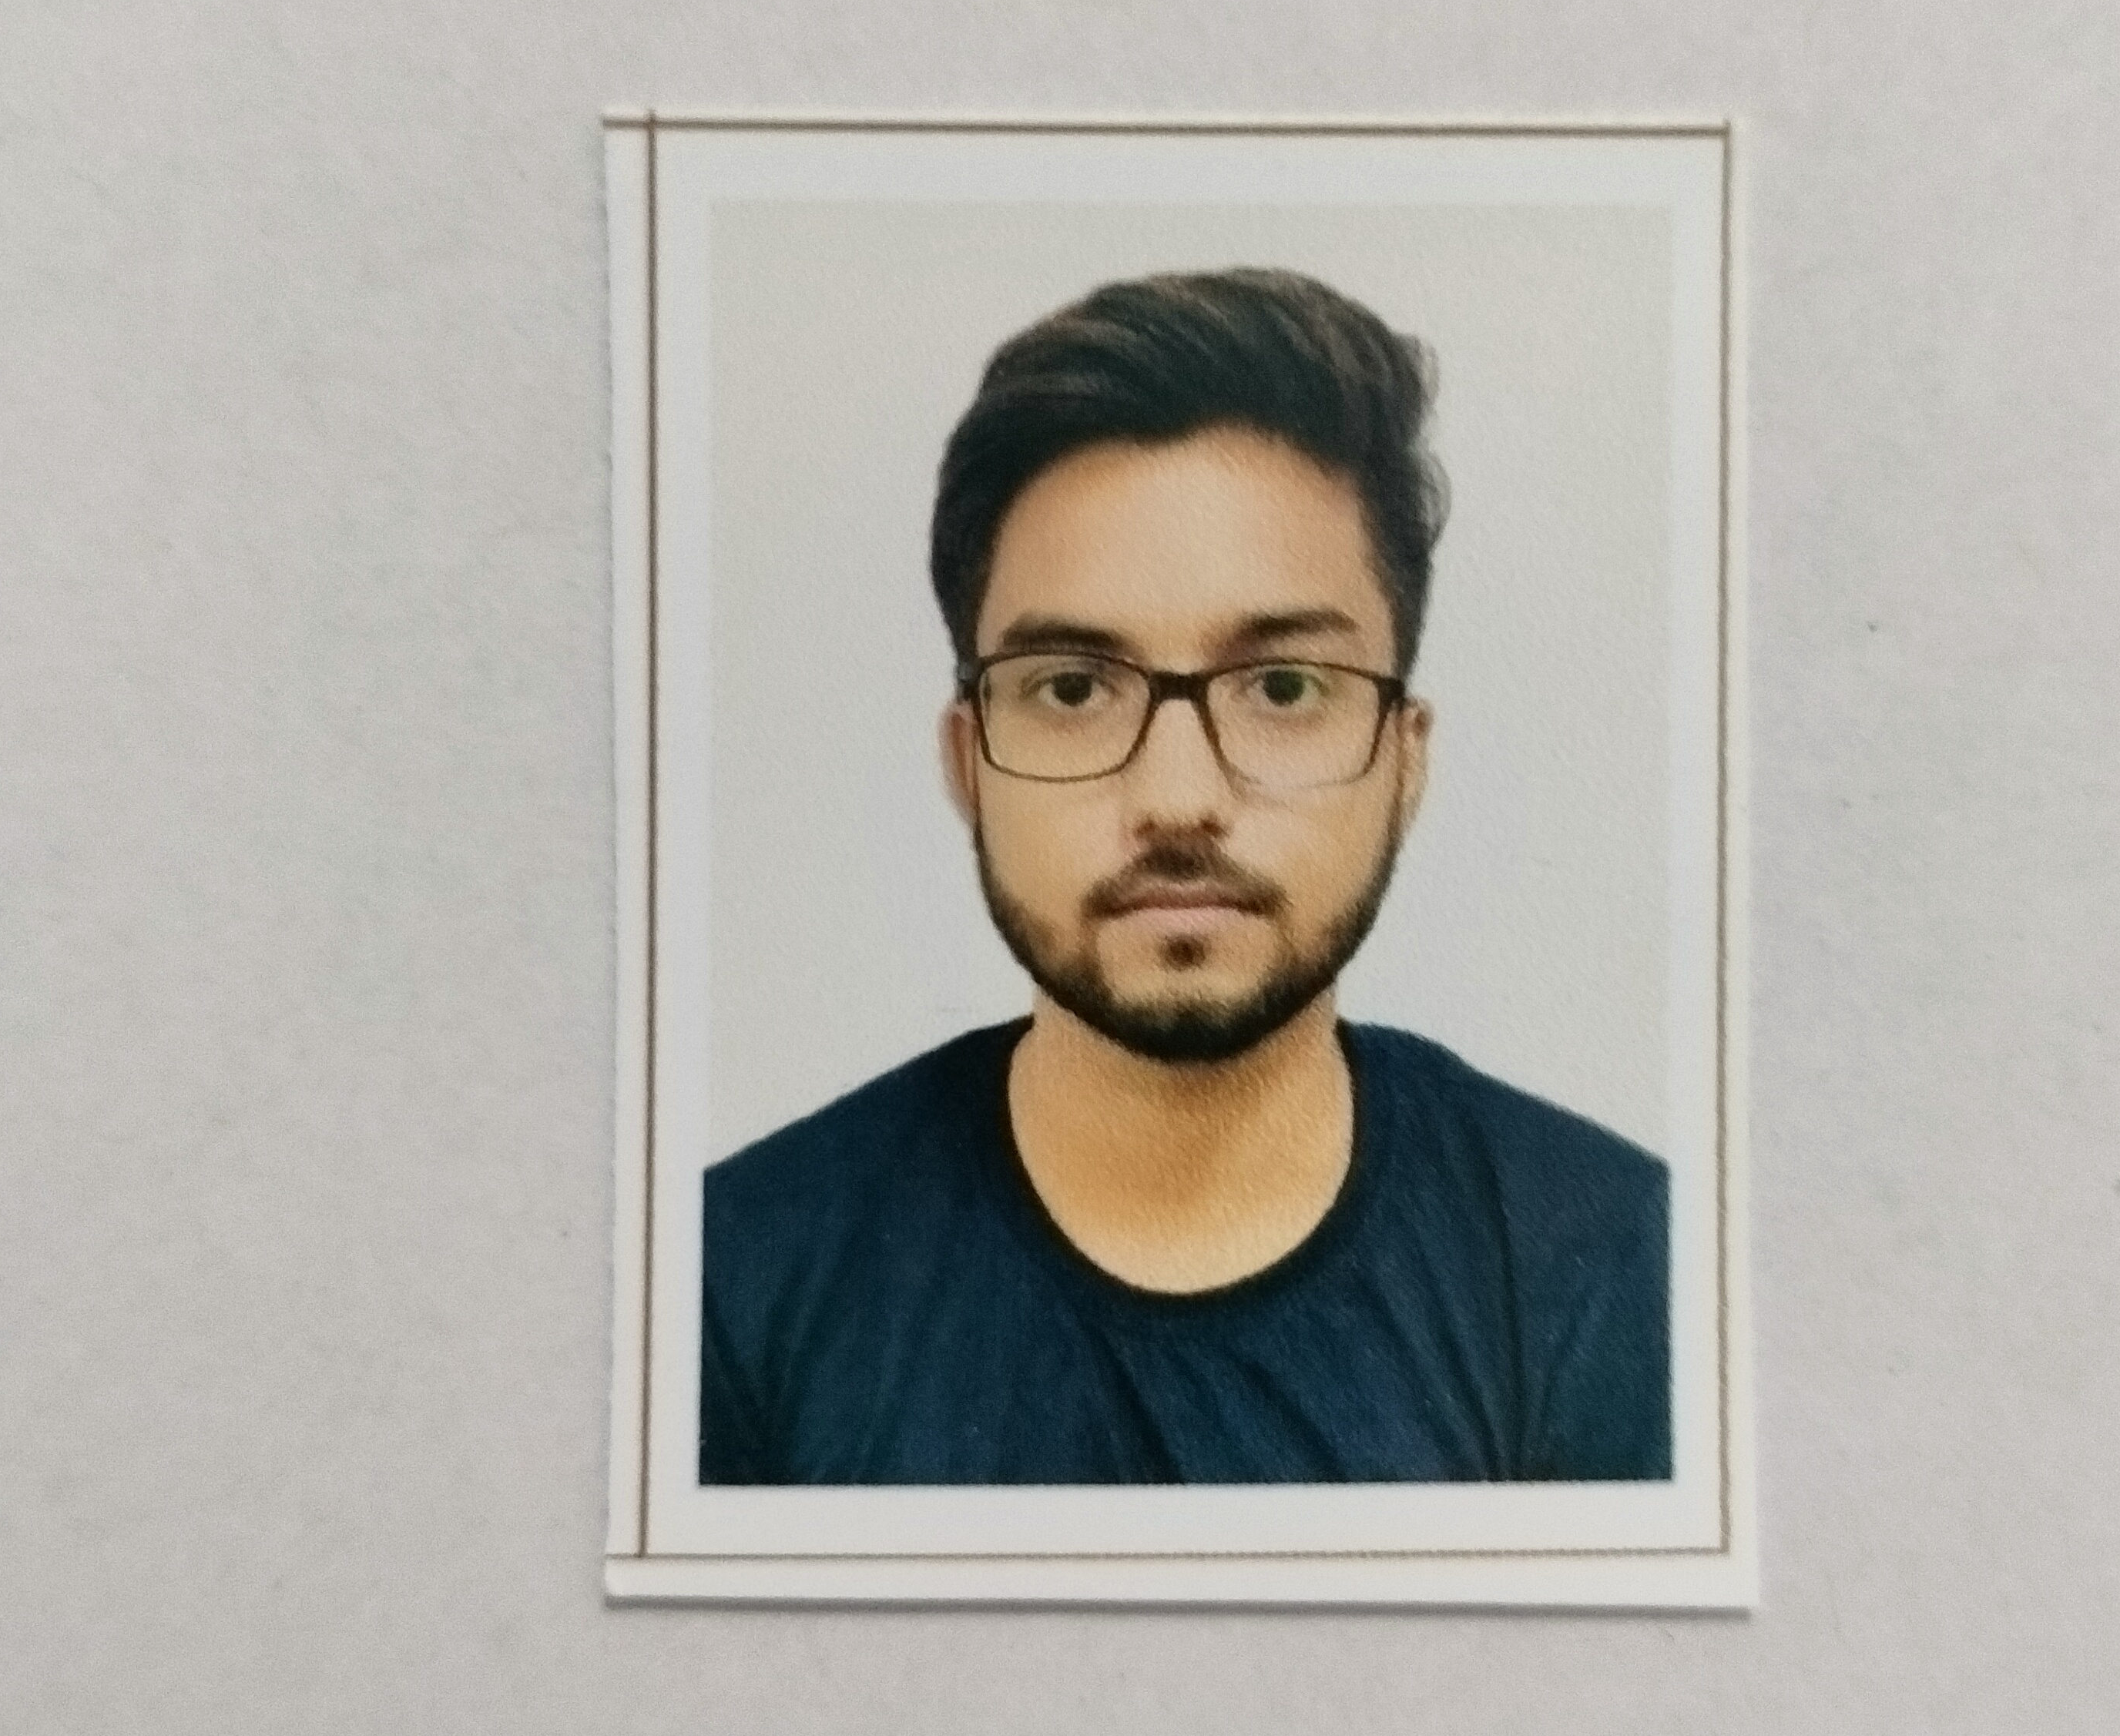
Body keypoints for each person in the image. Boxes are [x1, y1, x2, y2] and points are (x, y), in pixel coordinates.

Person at [701, 268, 1669, 1486]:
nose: (1176, 798)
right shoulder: (733, 1281)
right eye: (1071, 688)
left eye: (1282, 688)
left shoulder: (1609, 1262)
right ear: (967, 761)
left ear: (1404, 760)